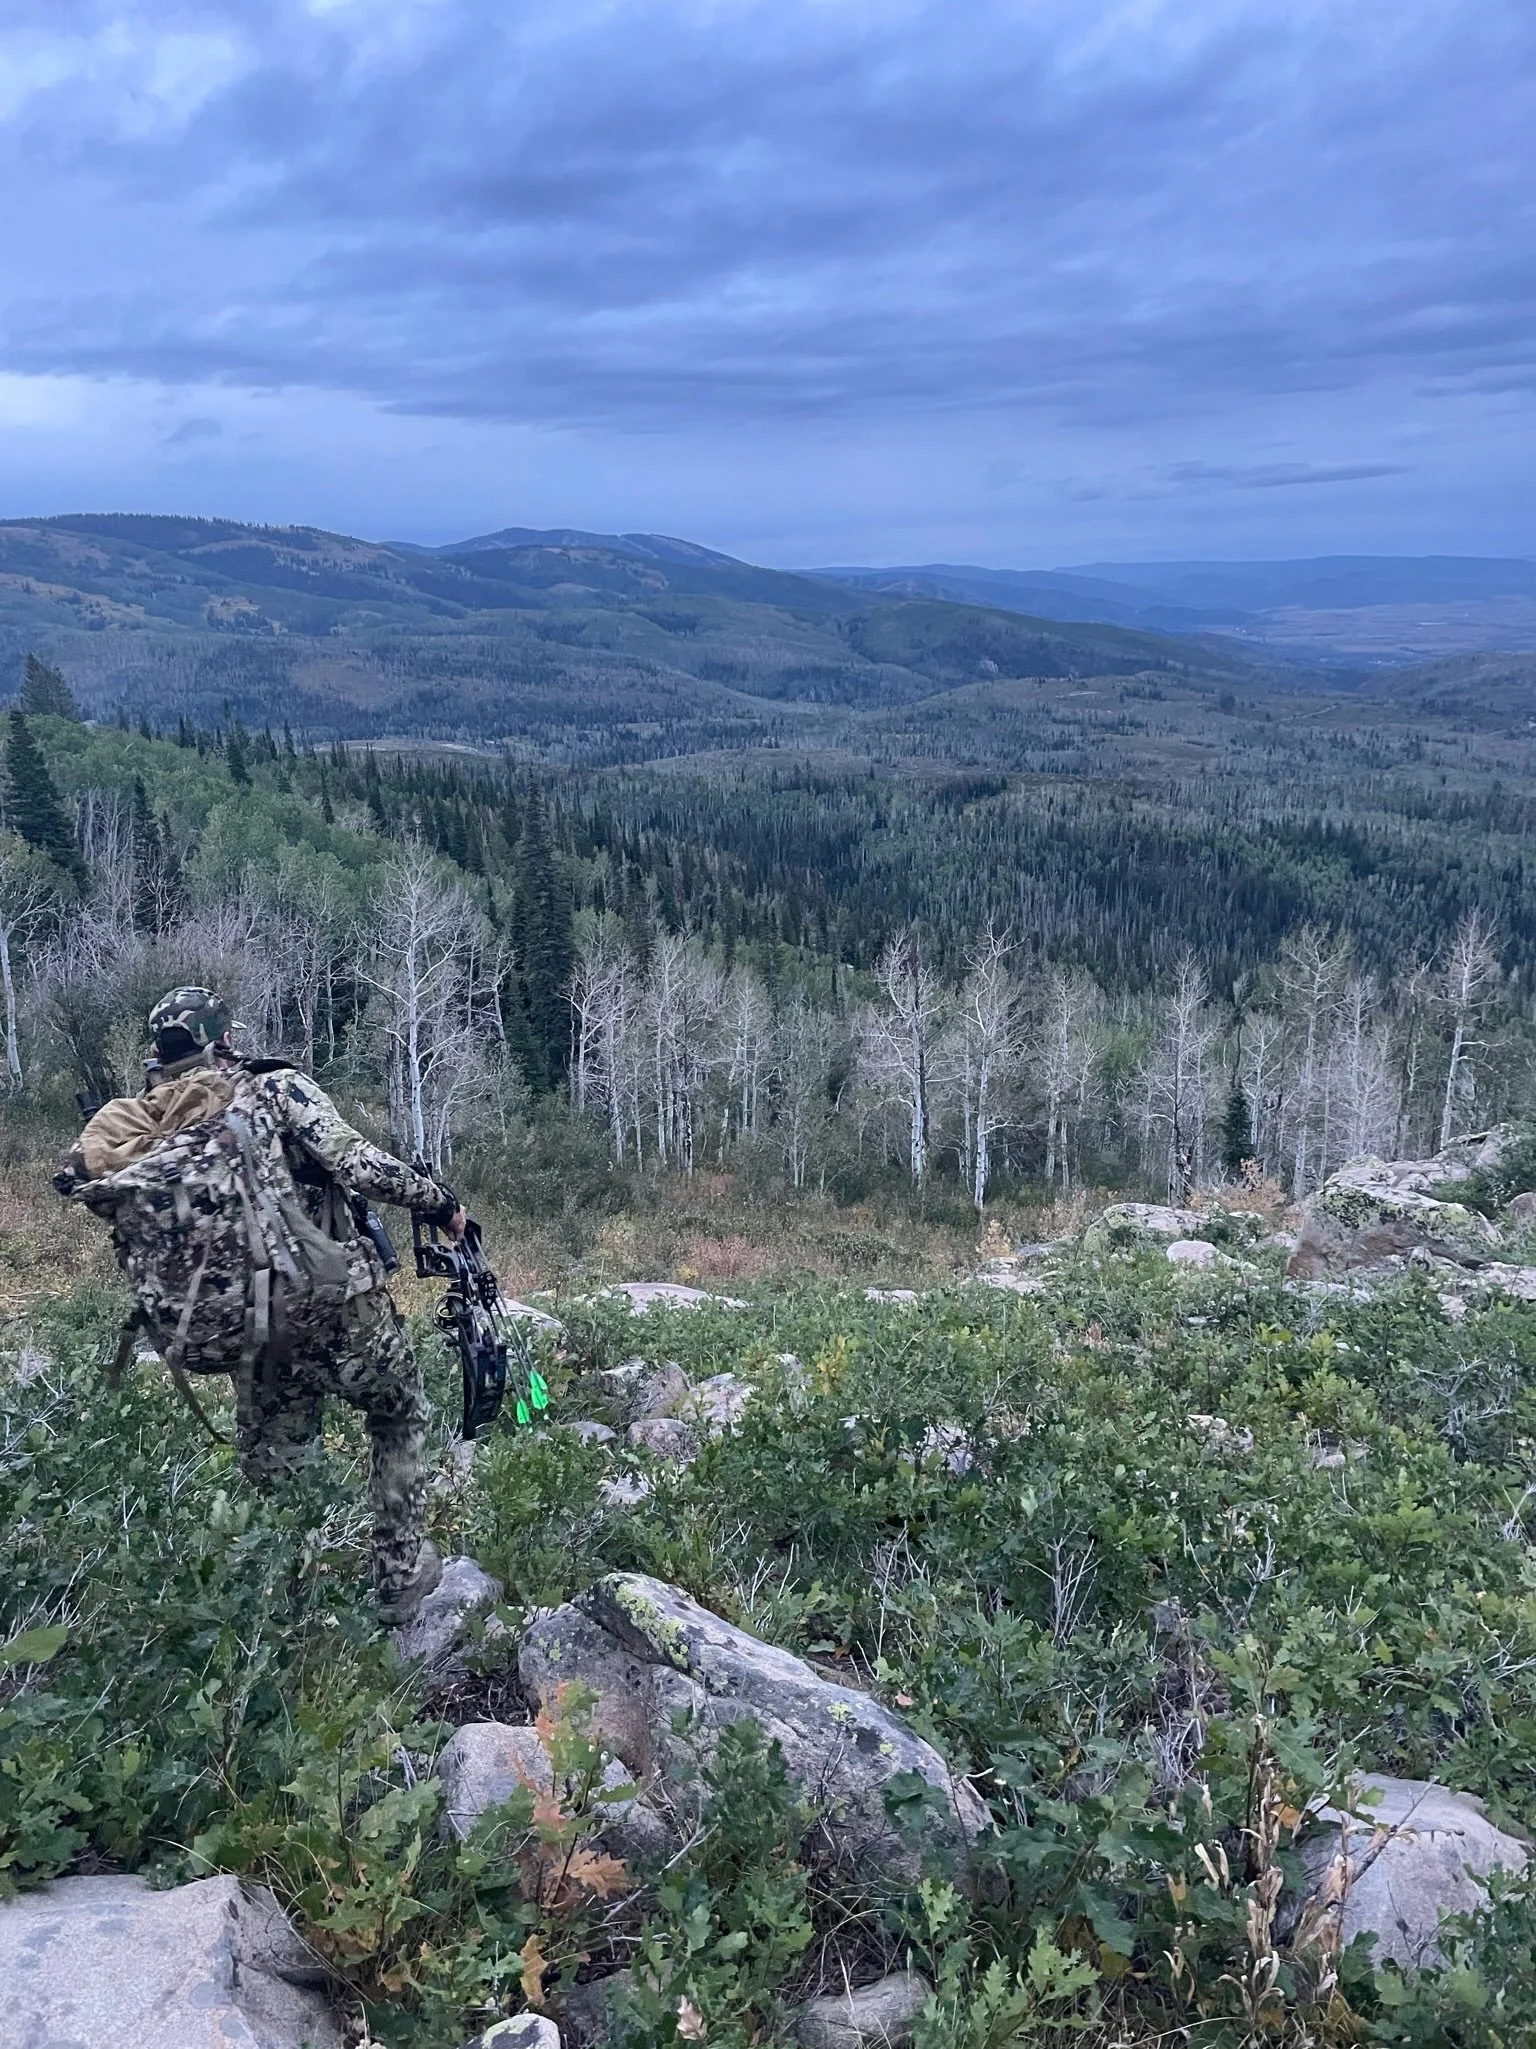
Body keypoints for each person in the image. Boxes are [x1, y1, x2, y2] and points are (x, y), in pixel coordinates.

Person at [55, 986, 464, 1626]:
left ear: (161, 1054)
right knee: (401, 1411)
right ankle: (400, 1573)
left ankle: (297, 1615)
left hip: (252, 1327)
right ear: (222, 1040)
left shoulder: (148, 1128)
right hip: (337, 1307)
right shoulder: (273, 1090)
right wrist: (440, 1204)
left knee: (281, 1463)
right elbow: (357, 1164)